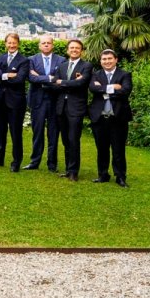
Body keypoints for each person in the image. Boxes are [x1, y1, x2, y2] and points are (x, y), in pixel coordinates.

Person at [89, 49, 133, 188]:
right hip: (100, 118)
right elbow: (93, 89)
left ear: (116, 60)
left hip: (118, 117)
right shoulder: (95, 74)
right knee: (101, 148)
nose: (107, 61)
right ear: (100, 61)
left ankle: (120, 177)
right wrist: (113, 87)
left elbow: (125, 91)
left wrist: (103, 89)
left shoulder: (125, 74)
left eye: (109, 59)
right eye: (104, 59)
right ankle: (103, 175)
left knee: (118, 149)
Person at [51, 39, 93, 182]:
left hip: (76, 108)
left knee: (73, 139)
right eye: (72, 48)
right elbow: (53, 85)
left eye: (77, 48)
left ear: (81, 50)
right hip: (61, 107)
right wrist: (71, 83)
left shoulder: (86, 66)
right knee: (65, 141)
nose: (74, 50)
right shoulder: (62, 66)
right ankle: (68, 170)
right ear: (68, 50)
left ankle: (74, 172)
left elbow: (82, 83)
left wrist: (62, 82)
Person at [25, 35, 65, 172]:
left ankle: (52, 164)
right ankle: (34, 162)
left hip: (55, 102)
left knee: (53, 134)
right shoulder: (31, 60)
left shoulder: (61, 60)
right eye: (43, 43)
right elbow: (31, 78)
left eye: (49, 43)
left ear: (53, 45)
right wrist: (50, 78)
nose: (46, 45)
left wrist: (41, 79)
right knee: (37, 133)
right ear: (39, 46)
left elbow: (61, 80)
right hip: (37, 101)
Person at [0, 33, 29, 172]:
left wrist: (1, 76)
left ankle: (16, 162)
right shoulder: (0, 58)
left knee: (15, 133)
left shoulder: (24, 61)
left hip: (16, 102)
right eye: (9, 43)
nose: (11, 45)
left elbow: (19, 79)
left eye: (14, 43)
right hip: (0, 100)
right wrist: (7, 75)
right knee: (1, 132)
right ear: (5, 43)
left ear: (18, 44)